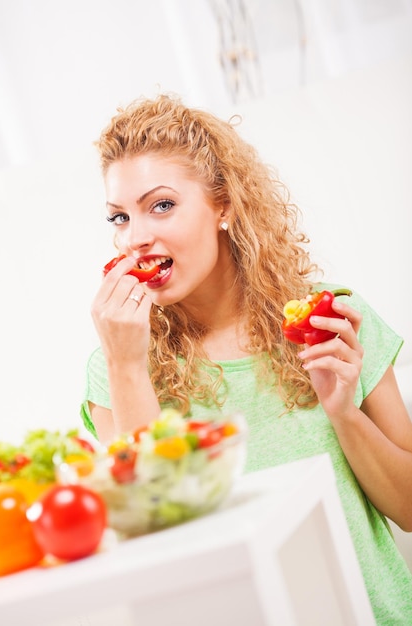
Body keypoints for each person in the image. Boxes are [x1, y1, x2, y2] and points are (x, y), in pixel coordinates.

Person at [81, 94, 412, 623]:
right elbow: (160, 546)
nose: (136, 238)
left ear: (224, 207)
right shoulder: (117, 364)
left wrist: (343, 411)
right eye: (119, 217)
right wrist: (126, 367)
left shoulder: (331, 323)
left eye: (161, 205)